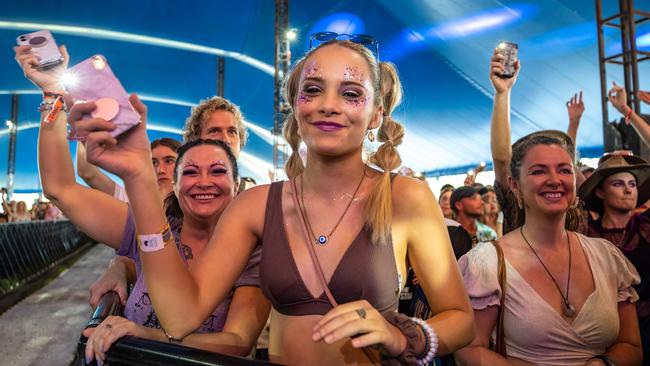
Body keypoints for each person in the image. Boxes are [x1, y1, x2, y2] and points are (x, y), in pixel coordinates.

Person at [77, 37, 474, 365]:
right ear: (296, 105)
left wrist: (404, 336)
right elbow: (181, 315)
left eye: (350, 93)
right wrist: (140, 180)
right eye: (313, 90)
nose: (328, 104)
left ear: (375, 115)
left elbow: (461, 320)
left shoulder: (405, 197)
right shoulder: (255, 205)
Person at [14, 45, 269, 364]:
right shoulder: (148, 223)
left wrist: (149, 338)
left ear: (238, 185)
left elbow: (239, 340)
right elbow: (61, 188)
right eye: (190, 171)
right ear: (174, 185)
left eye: (218, 171)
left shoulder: (254, 247)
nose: (203, 181)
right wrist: (53, 95)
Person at [455, 49, 642, 366]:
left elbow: (633, 348)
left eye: (564, 170)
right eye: (539, 171)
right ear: (514, 185)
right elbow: (468, 351)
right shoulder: (489, 262)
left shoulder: (607, 257)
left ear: (576, 181)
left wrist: (604, 364)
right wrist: (503, 94)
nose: (554, 180)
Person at [578, 152, 650, 364]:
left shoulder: (645, 226)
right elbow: (568, 172)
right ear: (600, 192)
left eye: (632, 184)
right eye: (618, 184)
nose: (628, 189)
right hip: (602, 332)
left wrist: (631, 117)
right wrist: (573, 125)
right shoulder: (586, 231)